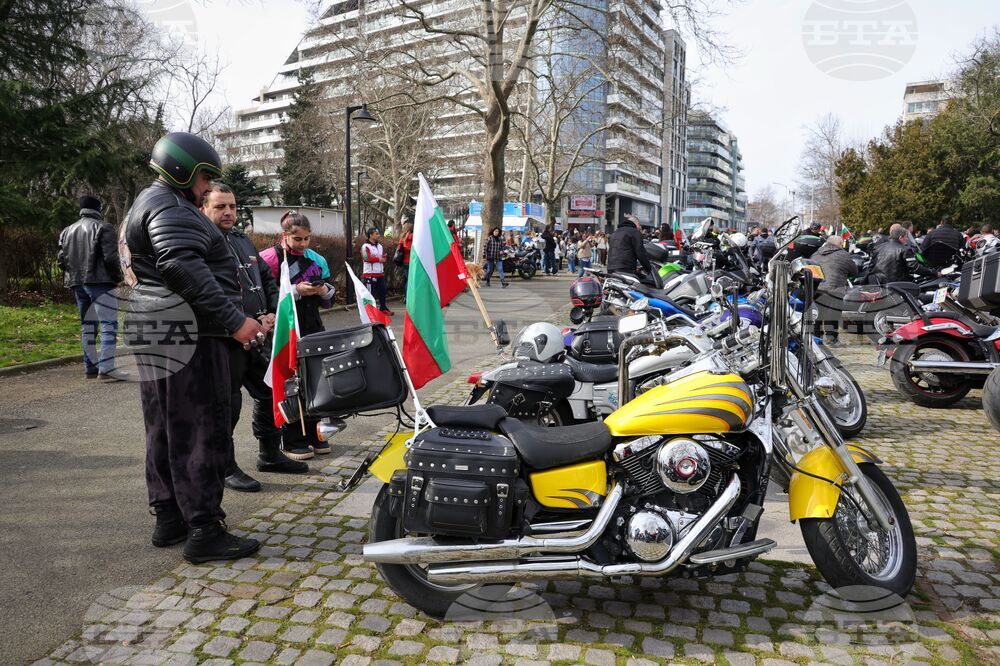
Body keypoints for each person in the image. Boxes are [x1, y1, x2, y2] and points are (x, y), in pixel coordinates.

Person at [123, 131, 262, 563]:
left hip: (159, 326)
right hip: (191, 334)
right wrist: (235, 320)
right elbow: (181, 265)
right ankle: (204, 529)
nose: (206, 187)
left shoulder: (149, 202)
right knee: (202, 427)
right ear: (186, 170)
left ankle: (169, 518)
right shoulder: (170, 206)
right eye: (205, 178)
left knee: (164, 425)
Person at [200, 182, 308, 492]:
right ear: (203, 208)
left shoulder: (241, 239)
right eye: (220, 206)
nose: (228, 212)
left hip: (260, 335)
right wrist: (241, 321)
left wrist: (272, 312)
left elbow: (266, 279)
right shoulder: (203, 242)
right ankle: (225, 467)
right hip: (226, 338)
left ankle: (270, 455)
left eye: (232, 206)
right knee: (227, 405)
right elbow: (210, 292)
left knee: (270, 391)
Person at [260, 212, 335, 460]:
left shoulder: (316, 259)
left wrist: (324, 290)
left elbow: (328, 300)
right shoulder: (269, 258)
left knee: (315, 380)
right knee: (289, 381)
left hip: (312, 324)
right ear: (284, 235)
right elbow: (265, 295)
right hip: (286, 327)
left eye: (306, 239)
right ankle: (291, 437)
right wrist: (296, 290)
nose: (303, 244)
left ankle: (315, 433)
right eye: (297, 239)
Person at [58, 195, 122, 380]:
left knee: (87, 326)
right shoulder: (104, 227)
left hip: (78, 284)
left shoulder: (66, 231)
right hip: (100, 282)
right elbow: (110, 258)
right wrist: (117, 277)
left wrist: (75, 273)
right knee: (109, 324)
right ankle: (107, 368)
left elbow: (61, 261)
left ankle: (90, 368)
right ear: (98, 209)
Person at [810, 235, 858, 345]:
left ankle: (816, 337)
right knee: (833, 314)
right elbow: (854, 272)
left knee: (817, 314)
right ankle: (832, 339)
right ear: (839, 244)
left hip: (816, 287)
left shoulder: (816, 254)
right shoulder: (844, 255)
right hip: (835, 288)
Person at [361, 228, 392, 314]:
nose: (378, 235)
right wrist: (379, 259)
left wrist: (384, 258)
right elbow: (366, 258)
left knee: (383, 291)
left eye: (378, 233)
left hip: (380, 273)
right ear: (370, 235)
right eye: (376, 234)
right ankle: (370, 311)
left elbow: (383, 256)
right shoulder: (365, 246)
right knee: (371, 294)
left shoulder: (380, 246)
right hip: (369, 274)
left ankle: (383, 308)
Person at [398, 222, 414, 295]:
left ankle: (405, 296)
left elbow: (399, 248)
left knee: (406, 280)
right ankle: (409, 296)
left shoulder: (402, 238)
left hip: (404, 261)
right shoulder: (413, 237)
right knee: (411, 280)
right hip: (412, 261)